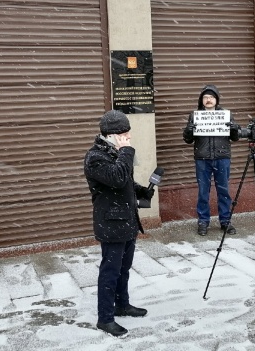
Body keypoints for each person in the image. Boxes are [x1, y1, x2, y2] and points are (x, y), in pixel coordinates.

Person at [83, 110, 154, 338]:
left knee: (124, 268)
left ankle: (122, 304)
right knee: (110, 271)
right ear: (109, 134)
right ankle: (105, 318)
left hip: (127, 221)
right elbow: (116, 177)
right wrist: (126, 152)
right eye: (123, 133)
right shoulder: (95, 157)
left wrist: (140, 190)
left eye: (128, 132)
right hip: (111, 223)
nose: (128, 137)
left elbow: (124, 181)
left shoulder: (114, 152)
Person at [183, 84, 239, 236]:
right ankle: (203, 221)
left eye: (212, 97)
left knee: (224, 191)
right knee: (203, 192)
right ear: (201, 100)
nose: (209, 100)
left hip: (222, 158)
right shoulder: (194, 115)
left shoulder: (226, 115)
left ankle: (225, 221)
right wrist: (188, 131)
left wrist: (234, 128)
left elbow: (235, 137)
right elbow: (188, 139)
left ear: (217, 99)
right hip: (202, 158)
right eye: (206, 97)